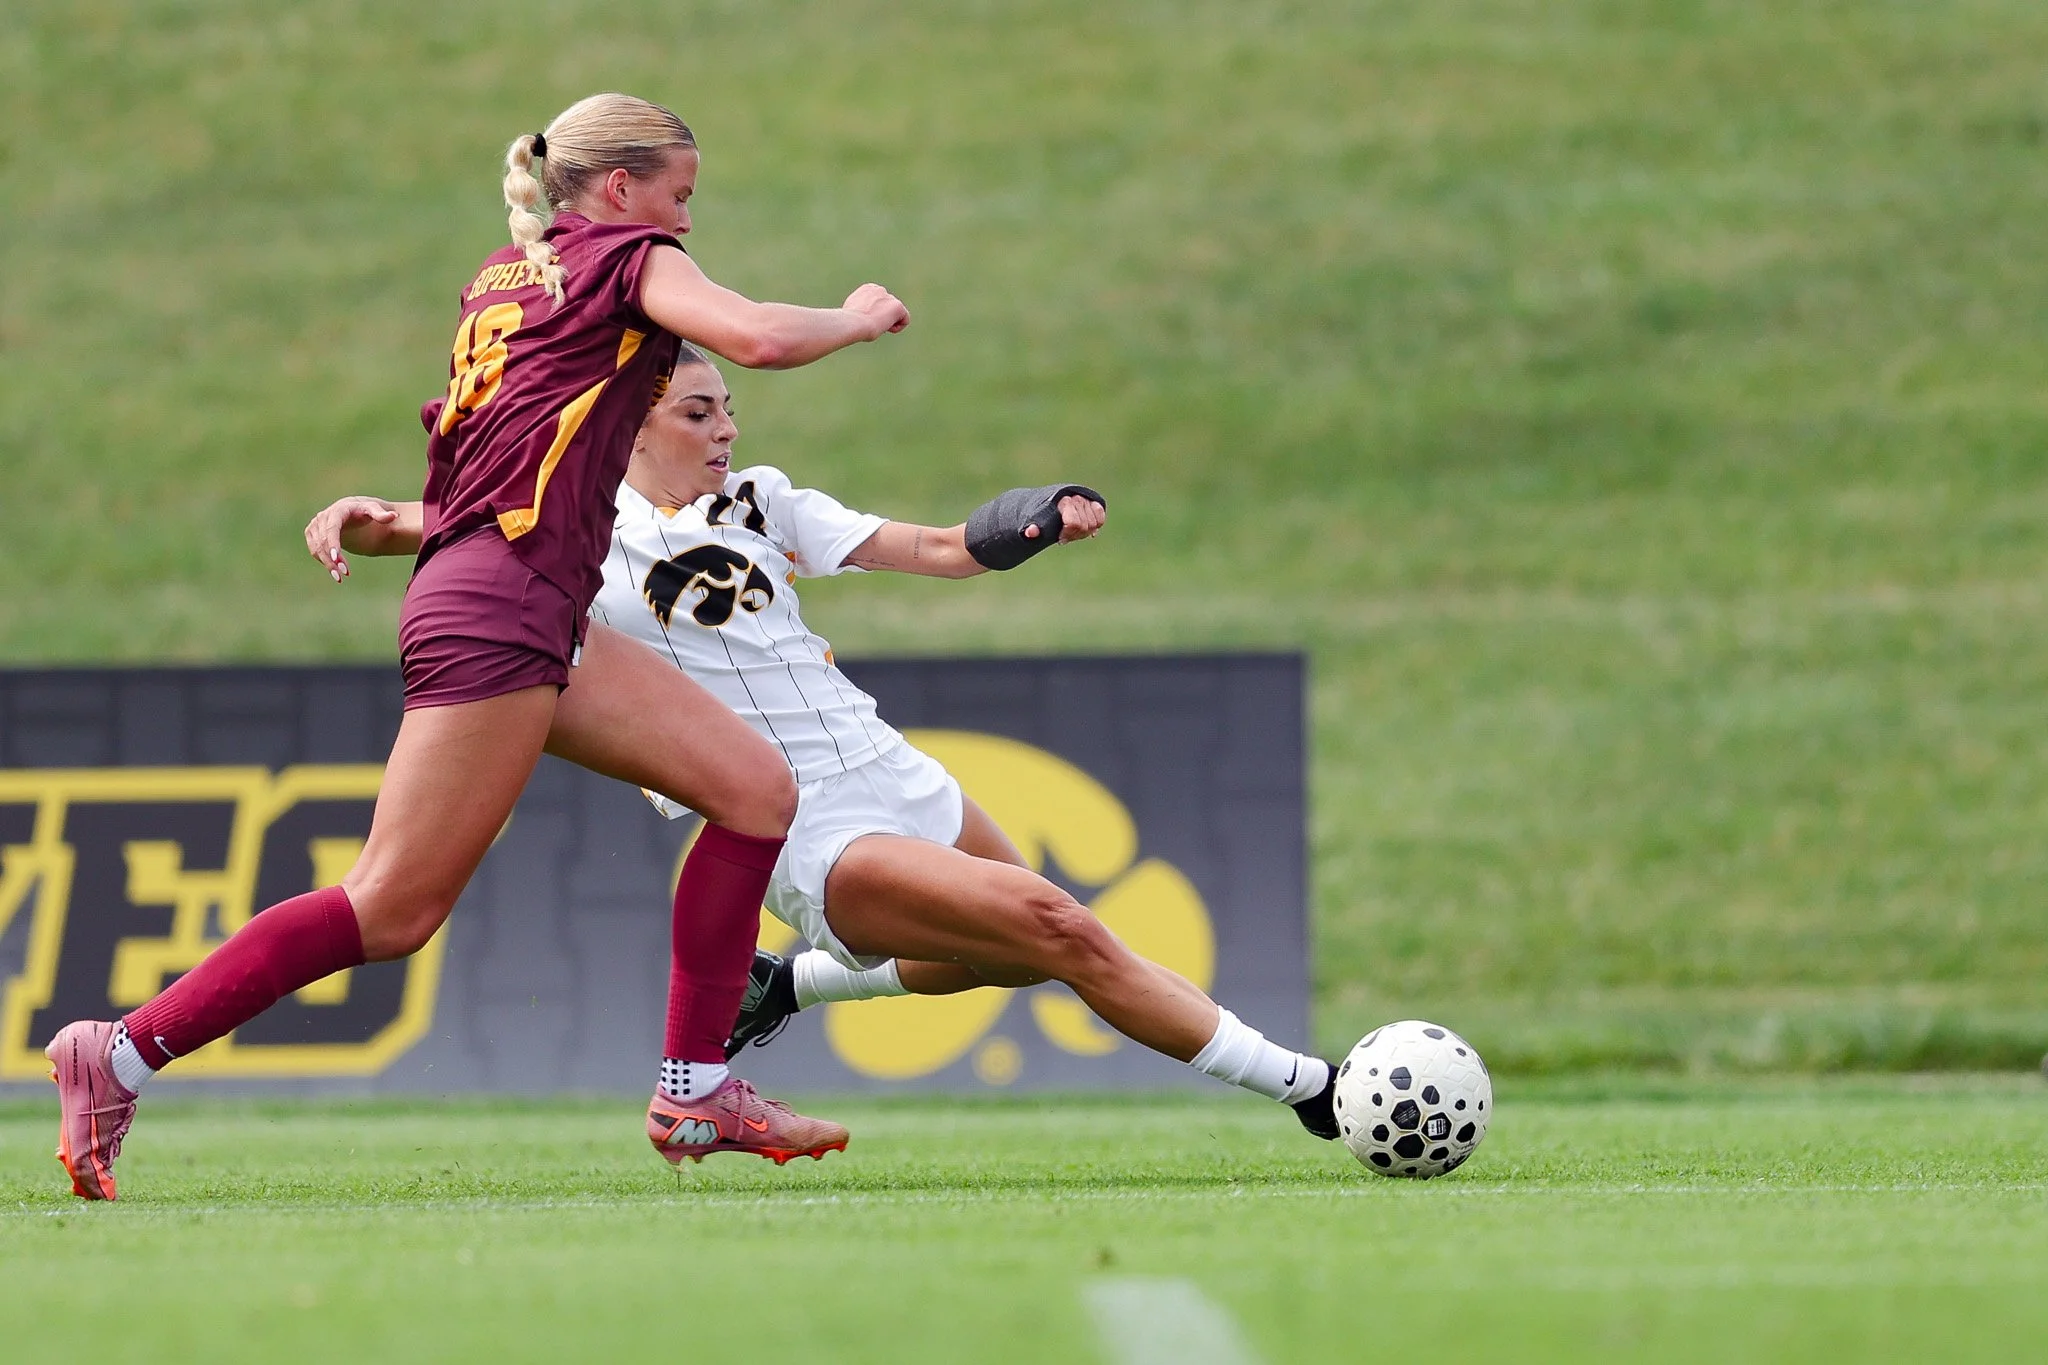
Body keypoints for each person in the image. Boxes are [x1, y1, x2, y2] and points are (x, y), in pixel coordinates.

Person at [46, 93, 910, 1201]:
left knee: (751, 788)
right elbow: (750, 335)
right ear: (617, 190)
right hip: (502, 610)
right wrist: (854, 316)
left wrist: (400, 520)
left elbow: (488, 463)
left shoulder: (508, 279)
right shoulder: (619, 256)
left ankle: (693, 1090)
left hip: (514, 596)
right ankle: (115, 1053)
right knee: (390, 906)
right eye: (678, 195)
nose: (684, 222)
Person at [306, 346, 1343, 1145]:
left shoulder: (764, 498)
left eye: (728, 409)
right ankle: (1314, 1089)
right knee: (1058, 928)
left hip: (893, 768)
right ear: (626, 423)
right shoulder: (567, 518)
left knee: (1006, 961)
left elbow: (937, 548)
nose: (724, 428)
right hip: (800, 824)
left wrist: (1031, 522)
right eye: (696, 411)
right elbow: (417, 521)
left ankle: (787, 985)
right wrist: (352, 517)